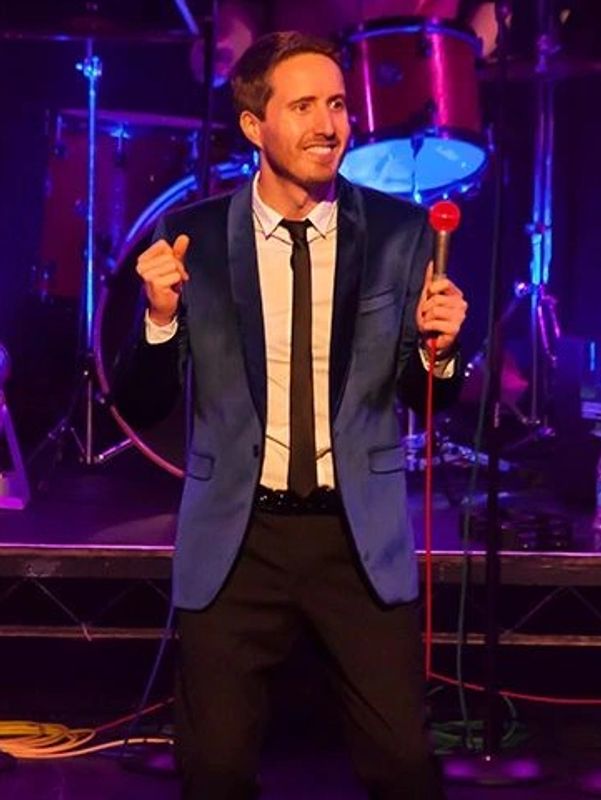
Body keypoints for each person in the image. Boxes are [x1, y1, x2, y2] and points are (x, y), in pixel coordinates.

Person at [123, 30, 467, 800]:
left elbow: (427, 393)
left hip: (356, 533)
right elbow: (143, 402)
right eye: (304, 105)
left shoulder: (400, 233)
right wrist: (159, 318)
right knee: (215, 770)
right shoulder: (194, 237)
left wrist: (441, 351)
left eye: (337, 105)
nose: (328, 125)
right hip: (238, 535)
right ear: (254, 125)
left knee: (403, 768)